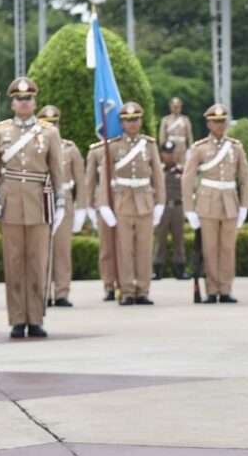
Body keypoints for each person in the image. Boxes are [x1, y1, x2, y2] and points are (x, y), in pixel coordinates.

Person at [0, 78, 64, 338]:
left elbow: (56, 170)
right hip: (10, 203)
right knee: (13, 264)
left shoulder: (49, 132)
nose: (23, 103)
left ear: (34, 102)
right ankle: (17, 319)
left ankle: (35, 318)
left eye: (28, 98)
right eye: (19, 99)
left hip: (39, 203)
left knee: (37, 263)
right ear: (12, 103)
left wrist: (60, 202)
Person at [95, 102, 165, 306]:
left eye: (135, 119)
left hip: (145, 200)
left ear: (141, 121)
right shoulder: (113, 146)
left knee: (144, 248)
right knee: (124, 249)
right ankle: (126, 290)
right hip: (122, 201)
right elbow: (105, 176)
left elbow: (158, 176)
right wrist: (104, 204)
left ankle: (142, 290)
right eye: (127, 120)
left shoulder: (149, 145)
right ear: (122, 123)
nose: (132, 123)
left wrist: (160, 203)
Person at [182, 104, 248, 304]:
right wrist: (189, 209)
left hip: (230, 202)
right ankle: (212, 290)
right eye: (215, 122)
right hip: (207, 202)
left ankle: (226, 289)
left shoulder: (236, 147)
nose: (219, 125)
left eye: (222, 121)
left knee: (228, 249)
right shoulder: (200, 148)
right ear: (208, 124)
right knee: (210, 249)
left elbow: (245, 178)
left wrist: (244, 206)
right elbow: (188, 178)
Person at [37, 105, 87, 307]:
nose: (52, 127)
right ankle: (43, 292)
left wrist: (82, 208)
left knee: (62, 249)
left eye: (54, 123)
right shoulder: (34, 147)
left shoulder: (70, 148)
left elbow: (80, 180)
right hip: (39, 199)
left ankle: (61, 292)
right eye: (47, 124)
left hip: (63, 201)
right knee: (40, 249)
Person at [85, 138, 118, 301]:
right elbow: (90, 180)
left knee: (128, 247)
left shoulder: (128, 146)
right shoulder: (96, 151)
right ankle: (109, 285)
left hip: (127, 200)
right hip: (104, 203)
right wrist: (89, 205)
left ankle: (127, 284)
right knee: (107, 248)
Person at [153, 140, 188, 281]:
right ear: (161, 154)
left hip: (178, 207)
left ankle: (180, 270)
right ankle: (157, 270)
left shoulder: (182, 171)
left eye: (171, 153)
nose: (169, 156)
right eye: (166, 153)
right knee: (159, 239)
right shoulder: (157, 171)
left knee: (179, 239)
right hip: (162, 208)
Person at [158, 97, 194, 163]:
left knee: (183, 166)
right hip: (170, 147)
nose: (176, 108)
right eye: (174, 106)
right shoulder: (165, 120)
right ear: (170, 107)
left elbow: (189, 136)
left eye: (178, 106)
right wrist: (162, 149)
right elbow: (162, 136)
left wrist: (191, 149)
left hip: (182, 147)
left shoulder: (185, 119)